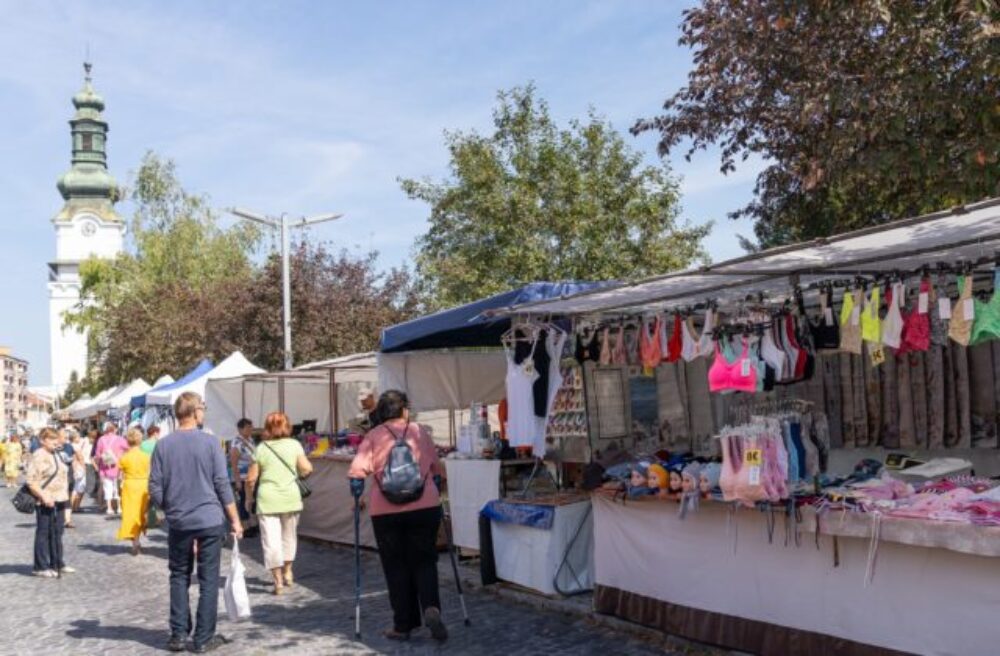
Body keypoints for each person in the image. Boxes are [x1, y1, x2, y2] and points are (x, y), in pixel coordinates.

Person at [348, 390, 447, 642]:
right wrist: (437, 485)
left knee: (396, 566)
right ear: (404, 410)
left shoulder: (373, 436)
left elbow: (357, 472)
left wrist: (357, 493)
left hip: (386, 511)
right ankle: (431, 607)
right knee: (425, 561)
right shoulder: (419, 432)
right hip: (425, 506)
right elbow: (436, 468)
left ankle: (403, 625)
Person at [149, 392, 242, 654]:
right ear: (193, 411)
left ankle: (178, 634)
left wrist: (169, 506)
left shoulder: (163, 445)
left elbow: (154, 485)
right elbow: (222, 484)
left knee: (178, 576)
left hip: (179, 521)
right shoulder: (211, 443)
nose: (204, 411)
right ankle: (203, 637)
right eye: (202, 407)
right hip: (209, 519)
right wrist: (235, 519)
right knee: (208, 579)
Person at [245, 412, 312, 595]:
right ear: (287, 426)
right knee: (289, 537)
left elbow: (251, 479)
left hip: (267, 500)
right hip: (290, 498)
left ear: (267, 428)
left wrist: (248, 498)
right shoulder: (294, 445)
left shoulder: (261, 449)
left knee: (271, 541)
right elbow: (307, 468)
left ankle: (277, 582)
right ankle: (288, 571)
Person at [26, 427, 74, 578]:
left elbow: (64, 477)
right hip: (45, 499)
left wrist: (67, 504)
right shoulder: (39, 455)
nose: (55, 441)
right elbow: (31, 481)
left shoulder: (57, 454)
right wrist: (43, 496)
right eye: (51, 439)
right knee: (44, 531)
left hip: (60, 498)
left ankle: (57, 562)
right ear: (42, 441)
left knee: (58, 532)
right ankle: (40, 566)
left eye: (56, 439)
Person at [117, 427, 152, 555]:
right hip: (143, 485)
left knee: (131, 514)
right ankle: (137, 539)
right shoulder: (146, 457)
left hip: (129, 486)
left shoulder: (124, 457)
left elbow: (118, 474)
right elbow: (151, 473)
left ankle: (135, 541)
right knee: (141, 513)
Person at [228, 419, 258, 538]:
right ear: (240, 429)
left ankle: (252, 524)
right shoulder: (236, 443)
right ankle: (245, 527)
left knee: (250, 501)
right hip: (241, 477)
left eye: (251, 427)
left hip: (251, 476)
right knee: (243, 502)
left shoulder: (250, 440)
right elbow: (233, 463)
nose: (250, 429)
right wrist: (238, 480)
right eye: (247, 427)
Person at [94, 422, 128, 515]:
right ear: (114, 429)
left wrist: (100, 460)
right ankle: (119, 507)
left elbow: (97, 455)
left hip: (105, 467)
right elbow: (128, 449)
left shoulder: (101, 439)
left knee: (107, 488)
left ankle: (109, 508)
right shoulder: (120, 439)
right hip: (118, 467)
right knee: (118, 487)